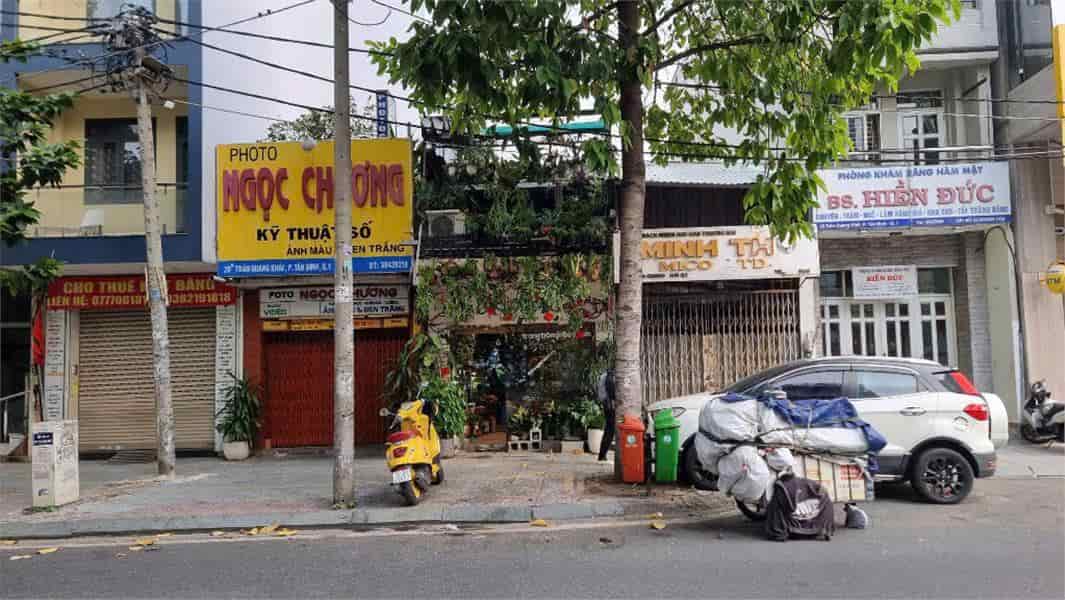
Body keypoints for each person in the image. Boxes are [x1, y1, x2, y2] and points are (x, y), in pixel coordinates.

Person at [597, 369, 616, 461]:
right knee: (610, 430)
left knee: (608, 430)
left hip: (606, 405)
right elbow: (611, 391)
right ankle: (602, 454)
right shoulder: (609, 376)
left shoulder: (604, 375)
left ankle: (602, 454)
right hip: (610, 406)